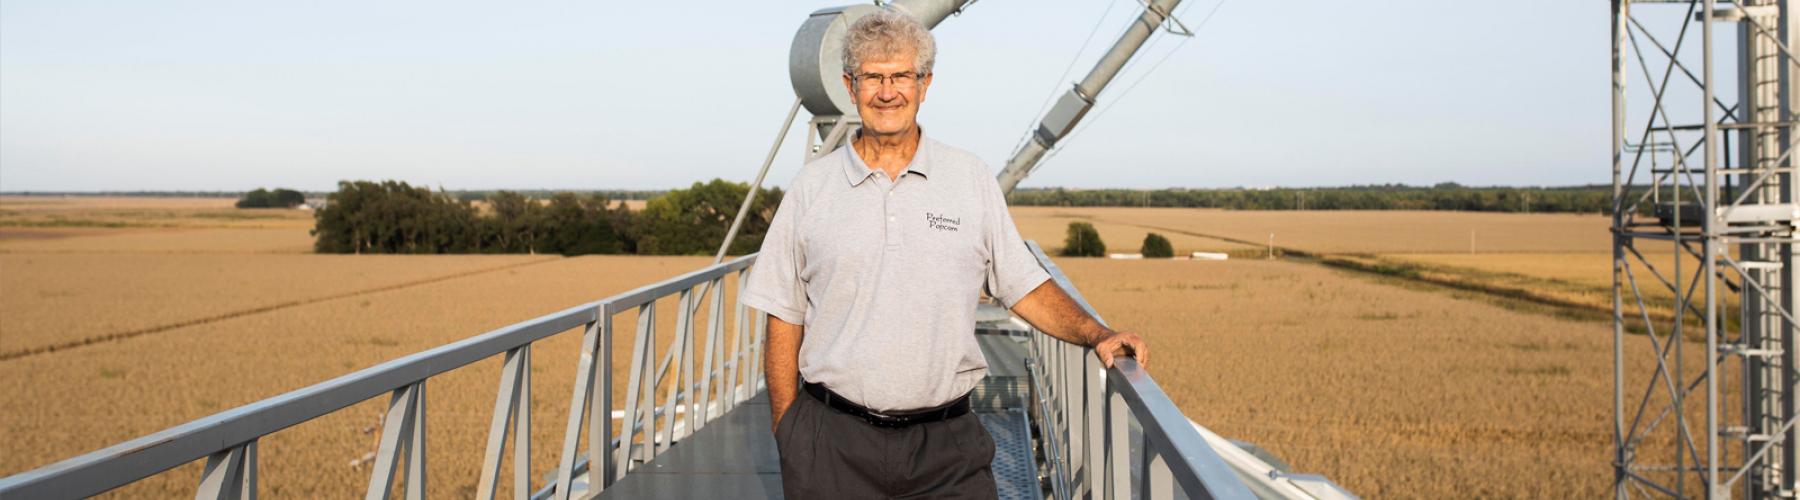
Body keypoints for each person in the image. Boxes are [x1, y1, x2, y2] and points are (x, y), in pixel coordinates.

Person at [742, 10, 1149, 499]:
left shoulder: (969, 180)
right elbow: (783, 315)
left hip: (947, 449)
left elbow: (1022, 284)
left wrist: (1097, 333)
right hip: (833, 445)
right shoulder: (811, 189)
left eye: (901, 76)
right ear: (851, 87)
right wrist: (788, 433)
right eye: (872, 77)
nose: (887, 91)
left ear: (925, 84)